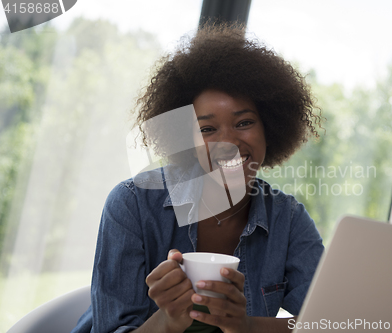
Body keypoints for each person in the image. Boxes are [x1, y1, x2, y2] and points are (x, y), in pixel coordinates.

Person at [72, 24, 324, 333]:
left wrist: (245, 326)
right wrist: (167, 320)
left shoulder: (288, 219)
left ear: (269, 129)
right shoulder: (132, 204)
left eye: (244, 122)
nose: (228, 143)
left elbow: (332, 321)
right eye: (207, 129)